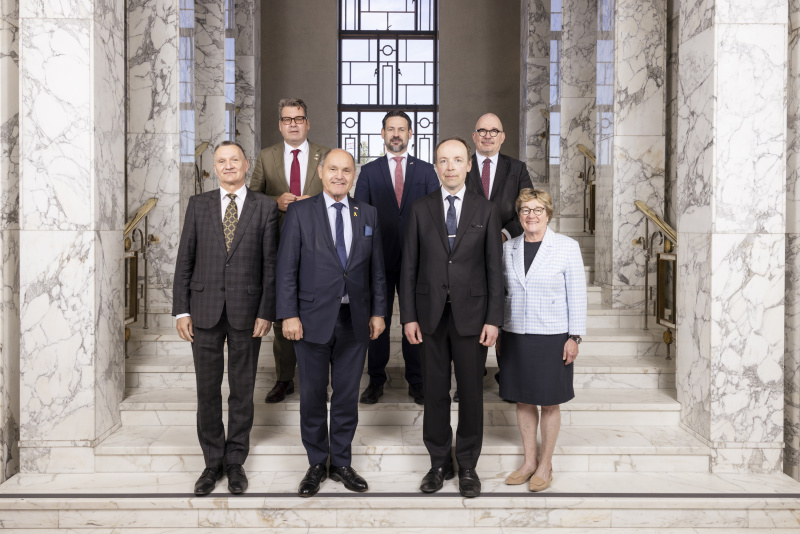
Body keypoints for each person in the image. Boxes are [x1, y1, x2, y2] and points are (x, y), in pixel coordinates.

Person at [277, 148, 388, 498]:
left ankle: (340, 461)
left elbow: (377, 270)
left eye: (347, 170)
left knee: (345, 396)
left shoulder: (367, 213)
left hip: (355, 320)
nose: (340, 176)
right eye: (333, 169)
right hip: (309, 320)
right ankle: (315, 463)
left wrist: (379, 312)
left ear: (353, 175)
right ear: (321, 172)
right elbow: (286, 269)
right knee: (311, 395)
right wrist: (289, 314)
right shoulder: (299, 212)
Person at [172, 140, 279, 496]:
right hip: (202, 311)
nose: (229, 166)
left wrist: (267, 310)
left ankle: (235, 462)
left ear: (246, 165)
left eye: (235, 160)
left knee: (242, 391)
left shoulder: (264, 207)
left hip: (248, 313)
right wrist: (181, 309)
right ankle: (211, 462)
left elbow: (271, 265)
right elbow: (184, 259)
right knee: (207, 391)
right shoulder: (198, 204)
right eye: (222, 161)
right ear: (214, 167)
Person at [400, 137, 503, 498]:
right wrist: (408, 317)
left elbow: (494, 269)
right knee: (435, 393)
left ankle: (469, 465)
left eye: (457, 160)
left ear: (469, 165)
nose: (450, 167)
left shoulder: (486, 210)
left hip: (473, 317)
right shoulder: (420, 208)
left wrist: (494, 319)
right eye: (443, 160)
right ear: (435, 166)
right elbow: (408, 267)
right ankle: (439, 462)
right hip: (429, 316)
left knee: (472, 393)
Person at [500, 188, 586, 492]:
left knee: (549, 402)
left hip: (552, 336)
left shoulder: (566, 247)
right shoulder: (509, 248)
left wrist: (574, 336)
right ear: (519, 215)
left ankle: (546, 465)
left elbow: (576, 294)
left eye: (537, 209)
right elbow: (505, 293)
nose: (531, 215)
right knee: (523, 399)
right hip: (516, 334)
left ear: (548, 214)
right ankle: (528, 462)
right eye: (525, 210)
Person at [354, 111, 440, 406]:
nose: (396, 134)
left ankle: (415, 380)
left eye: (401, 129)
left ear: (410, 134)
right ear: (382, 133)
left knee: (413, 319)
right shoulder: (369, 171)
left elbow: (433, 216)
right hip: (377, 259)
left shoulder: (427, 171)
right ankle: (376, 380)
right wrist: (368, 253)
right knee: (377, 320)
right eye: (390, 129)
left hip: (417, 261)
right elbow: (362, 217)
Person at [249, 98, 331, 403]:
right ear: (280, 125)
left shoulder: (326, 154)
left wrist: (316, 200)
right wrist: (276, 201)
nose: (293, 124)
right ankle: (284, 378)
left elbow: (340, 188)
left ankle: (319, 381)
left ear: (308, 123)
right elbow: (252, 197)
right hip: (280, 244)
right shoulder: (266, 156)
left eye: (299, 119)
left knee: (320, 313)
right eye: (287, 119)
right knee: (284, 312)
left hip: (320, 247)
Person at [464, 112, 534, 393]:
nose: (488, 135)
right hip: (467, 256)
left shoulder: (517, 169)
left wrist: (504, 234)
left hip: (508, 254)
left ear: (502, 137)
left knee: (506, 315)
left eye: (494, 131)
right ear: (474, 136)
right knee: (471, 315)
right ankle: (471, 376)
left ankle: (508, 378)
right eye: (482, 130)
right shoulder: (462, 165)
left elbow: (527, 209)